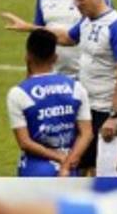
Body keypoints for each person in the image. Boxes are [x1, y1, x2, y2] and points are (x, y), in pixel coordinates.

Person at [1, 0, 117, 176]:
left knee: (106, 172)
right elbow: (66, 37)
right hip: (88, 106)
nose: (75, 3)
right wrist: (30, 28)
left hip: (106, 110)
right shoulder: (87, 21)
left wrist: (115, 116)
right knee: (80, 165)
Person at [6, 28, 93, 176]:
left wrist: (58, 157)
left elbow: (25, 142)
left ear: (27, 57)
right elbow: (87, 133)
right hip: (70, 169)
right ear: (55, 57)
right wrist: (67, 162)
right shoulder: (76, 88)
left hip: (34, 169)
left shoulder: (18, 93)